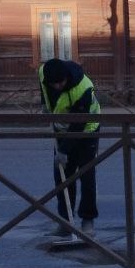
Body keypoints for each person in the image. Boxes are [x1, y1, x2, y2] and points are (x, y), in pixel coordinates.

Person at [38, 58, 101, 237]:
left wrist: (64, 150)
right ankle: (65, 221)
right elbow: (42, 86)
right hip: (61, 129)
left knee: (86, 176)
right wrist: (44, 104)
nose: (57, 87)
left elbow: (78, 125)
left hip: (87, 131)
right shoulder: (44, 72)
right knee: (62, 178)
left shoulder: (83, 88)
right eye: (53, 84)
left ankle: (88, 220)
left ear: (66, 77)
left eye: (60, 83)